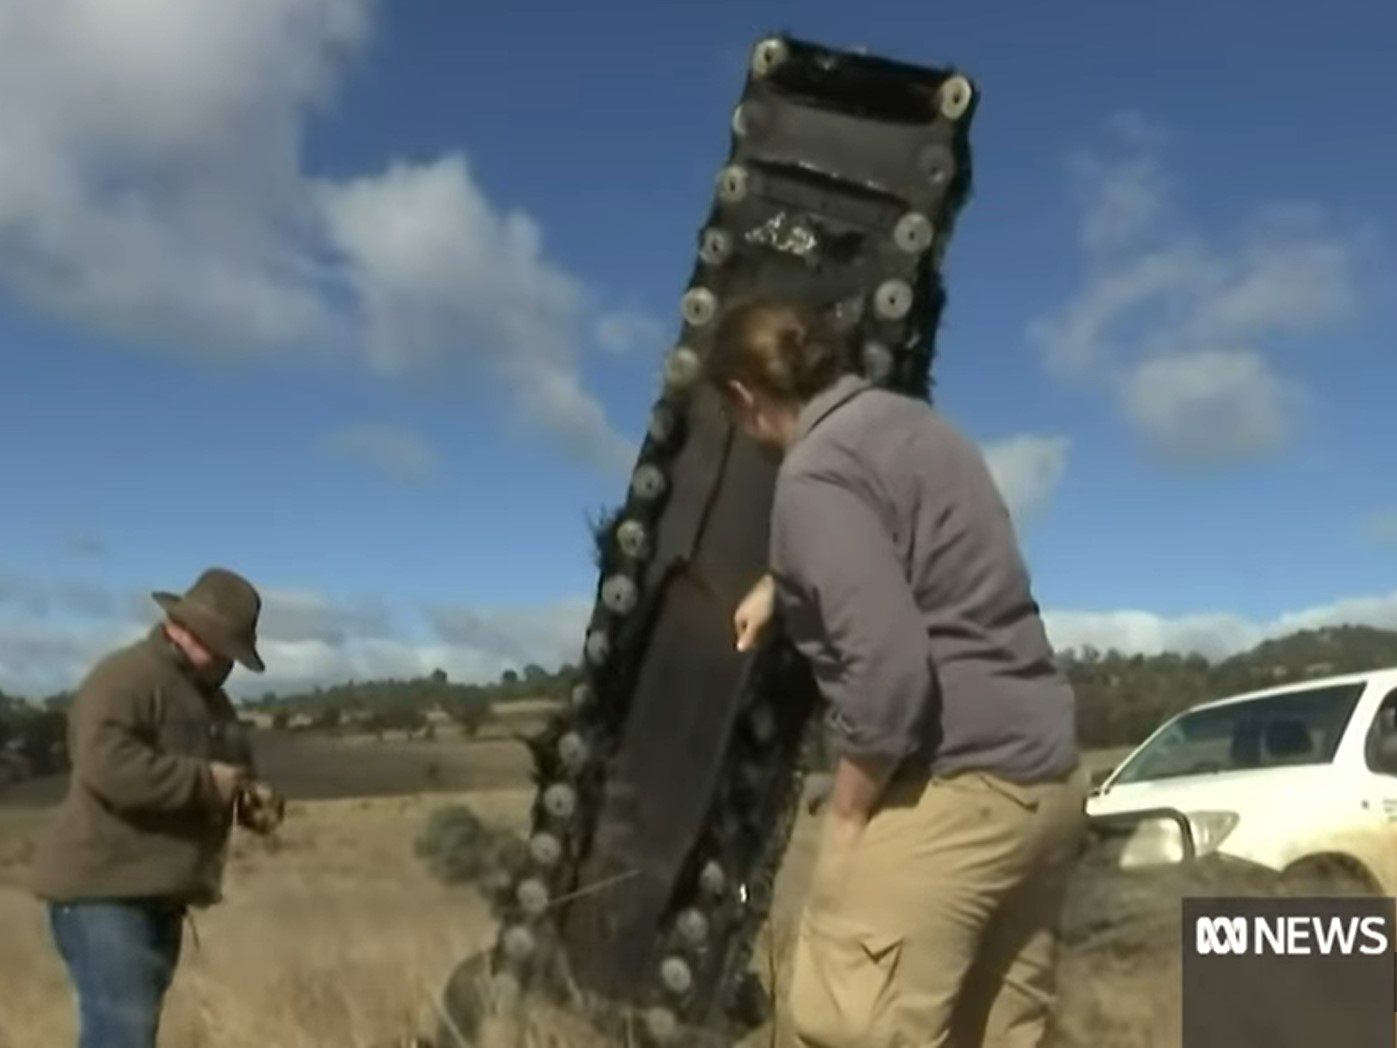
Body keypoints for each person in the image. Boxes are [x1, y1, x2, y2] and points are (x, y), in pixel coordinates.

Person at [708, 300, 1087, 1048]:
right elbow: (911, 552)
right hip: (1047, 791)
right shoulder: (921, 430)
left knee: (839, 1023)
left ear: (744, 399)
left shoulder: (812, 475)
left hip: (953, 795)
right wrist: (782, 585)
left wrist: (849, 810)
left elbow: (889, 673)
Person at [31, 567, 284, 1048]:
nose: (229, 664)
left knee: (129, 1035)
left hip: (156, 897)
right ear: (187, 630)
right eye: (225, 650)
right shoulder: (126, 678)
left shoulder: (213, 702)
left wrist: (254, 802)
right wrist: (209, 783)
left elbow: (235, 774)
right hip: (104, 893)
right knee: (121, 1038)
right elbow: (106, 766)